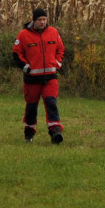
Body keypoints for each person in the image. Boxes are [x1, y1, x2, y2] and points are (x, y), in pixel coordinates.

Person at [12, 8, 65, 144]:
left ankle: (56, 132)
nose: (42, 22)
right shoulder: (23, 35)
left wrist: (57, 63)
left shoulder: (53, 32)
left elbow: (60, 49)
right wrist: (26, 67)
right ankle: (29, 133)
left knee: (51, 102)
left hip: (50, 78)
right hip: (32, 80)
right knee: (31, 108)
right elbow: (16, 53)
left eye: (44, 19)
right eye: (40, 20)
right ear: (34, 21)